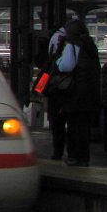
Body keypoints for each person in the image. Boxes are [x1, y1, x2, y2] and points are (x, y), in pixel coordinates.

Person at [54, 19, 101, 166]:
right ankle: (84, 158)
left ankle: (74, 157)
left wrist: (58, 62)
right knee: (83, 127)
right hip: (90, 91)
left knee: (74, 126)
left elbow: (66, 66)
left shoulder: (72, 45)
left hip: (75, 92)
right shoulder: (90, 44)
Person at [43, 25, 67, 160]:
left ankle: (58, 152)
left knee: (57, 123)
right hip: (64, 89)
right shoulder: (73, 44)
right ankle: (69, 152)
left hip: (55, 89)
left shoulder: (56, 42)